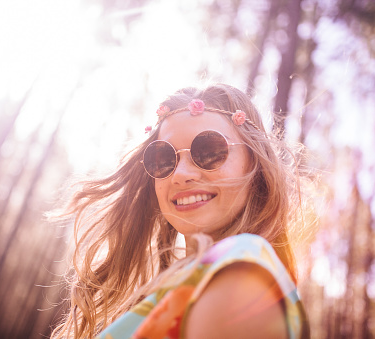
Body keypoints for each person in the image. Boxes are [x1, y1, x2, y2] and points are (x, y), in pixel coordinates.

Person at [51, 84, 310, 339]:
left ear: (255, 164)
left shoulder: (242, 272)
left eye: (209, 151)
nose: (181, 175)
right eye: (163, 158)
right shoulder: (182, 288)